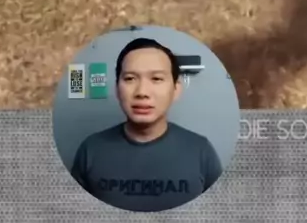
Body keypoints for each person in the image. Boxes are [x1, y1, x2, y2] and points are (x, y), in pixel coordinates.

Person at [70, 38, 223, 212]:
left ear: (176, 89)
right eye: (130, 78)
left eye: (156, 78)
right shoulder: (90, 150)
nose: (142, 92)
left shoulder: (201, 151)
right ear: (117, 89)